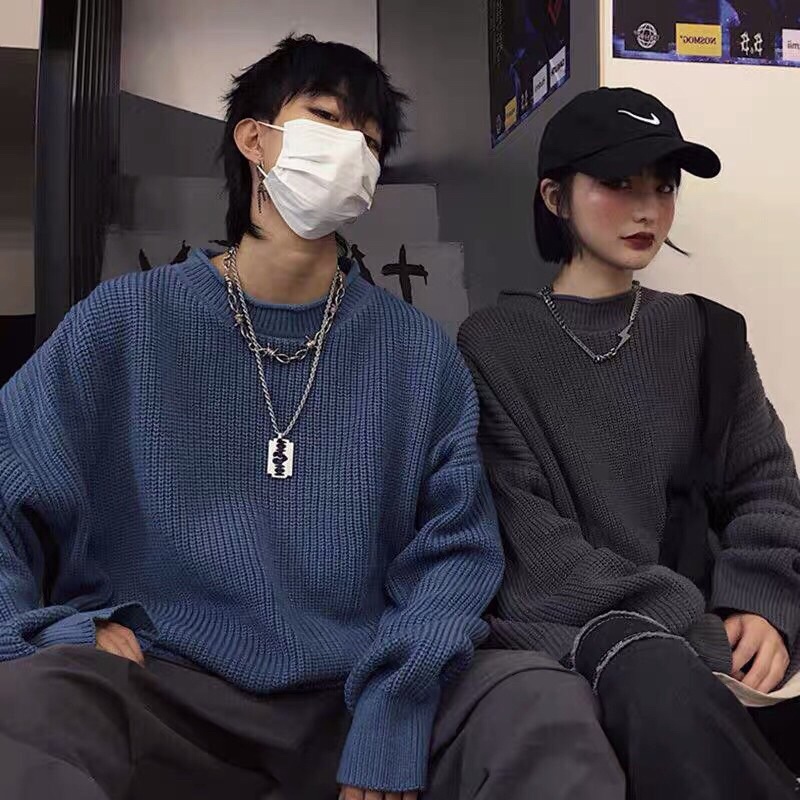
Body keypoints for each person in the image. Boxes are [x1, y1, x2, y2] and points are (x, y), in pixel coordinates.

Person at [0, 36, 624, 800]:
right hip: (167, 689)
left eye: (371, 141)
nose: (350, 149)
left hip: (358, 691)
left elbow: (456, 555)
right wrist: (47, 633)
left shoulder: (418, 354)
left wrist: (395, 705)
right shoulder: (124, 322)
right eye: (327, 118)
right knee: (23, 707)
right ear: (254, 138)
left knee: (542, 707)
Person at [459, 86, 800, 798]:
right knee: (653, 673)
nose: (647, 209)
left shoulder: (709, 333)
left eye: (663, 186)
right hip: (588, 638)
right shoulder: (494, 344)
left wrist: (762, 604)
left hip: (724, 639)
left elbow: (766, 486)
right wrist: (693, 630)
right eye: (619, 183)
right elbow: (528, 547)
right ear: (554, 197)